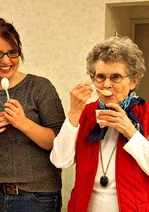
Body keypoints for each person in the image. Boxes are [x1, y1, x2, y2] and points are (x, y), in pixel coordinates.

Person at [0, 18, 65, 212]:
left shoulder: (40, 87)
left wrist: (23, 123)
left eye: (12, 53)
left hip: (39, 197)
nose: (6, 61)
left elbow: (60, 144)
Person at [50, 36, 149, 211]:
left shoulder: (147, 114)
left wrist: (131, 133)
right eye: (100, 77)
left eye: (116, 77)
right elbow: (60, 161)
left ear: (134, 81)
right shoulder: (86, 113)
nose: (107, 84)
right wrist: (73, 113)